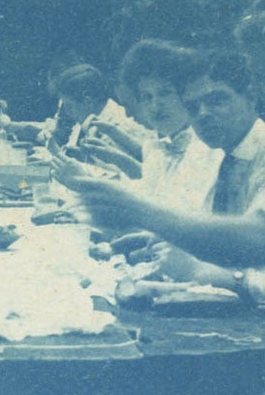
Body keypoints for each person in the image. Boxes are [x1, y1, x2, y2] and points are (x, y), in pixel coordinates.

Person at [52, 50, 265, 292]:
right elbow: (216, 234)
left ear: (251, 98)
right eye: (193, 107)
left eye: (217, 100)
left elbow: (258, 237)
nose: (203, 114)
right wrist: (167, 237)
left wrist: (144, 215)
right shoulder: (226, 155)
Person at [119, 39, 223, 209]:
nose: (155, 106)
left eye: (165, 93)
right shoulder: (156, 149)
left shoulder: (209, 147)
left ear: (187, 95)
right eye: (147, 96)